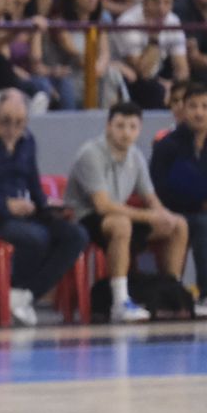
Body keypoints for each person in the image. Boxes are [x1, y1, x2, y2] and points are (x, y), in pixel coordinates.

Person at [0, 88, 89, 326]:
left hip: (22, 216)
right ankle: (15, 291)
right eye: (6, 121)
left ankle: (23, 294)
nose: (13, 130)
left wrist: (46, 207)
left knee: (75, 235)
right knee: (37, 237)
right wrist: (4, 204)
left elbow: (33, 183)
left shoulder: (27, 141)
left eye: (20, 123)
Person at [65, 101, 190, 322]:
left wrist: (164, 216)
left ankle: (172, 294)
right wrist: (149, 216)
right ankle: (120, 302)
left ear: (139, 129)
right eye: (120, 126)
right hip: (86, 219)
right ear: (108, 126)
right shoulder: (90, 154)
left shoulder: (135, 156)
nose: (126, 133)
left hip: (120, 216)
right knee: (120, 224)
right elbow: (102, 206)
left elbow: (150, 198)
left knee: (178, 225)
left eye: (132, 127)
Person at [149, 82, 207, 303]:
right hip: (173, 212)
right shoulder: (167, 146)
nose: (199, 112)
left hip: (200, 211)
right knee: (203, 223)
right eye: (193, 106)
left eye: (204, 106)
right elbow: (159, 189)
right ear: (183, 109)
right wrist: (199, 201)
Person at [114, 0, 189, 109]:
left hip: (158, 73)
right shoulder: (127, 22)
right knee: (155, 91)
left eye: (167, 3)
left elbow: (182, 69)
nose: (161, 8)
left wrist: (175, 87)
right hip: (127, 77)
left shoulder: (173, 21)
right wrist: (154, 37)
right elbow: (143, 72)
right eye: (156, 2)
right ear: (145, 3)